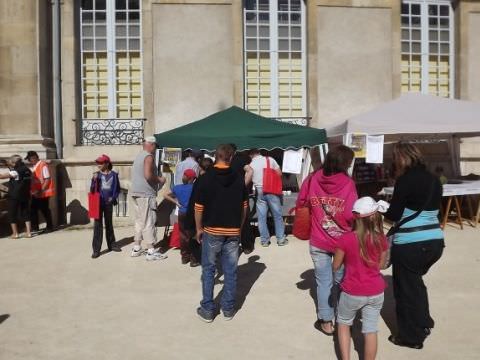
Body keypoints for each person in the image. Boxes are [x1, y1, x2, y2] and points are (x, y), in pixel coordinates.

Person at [384, 142, 444, 349]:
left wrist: (382, 208)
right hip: (435, 240)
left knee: (406, 291)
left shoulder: (405, 180)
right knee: (416, 283)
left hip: (410, 242)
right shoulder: (435, 180)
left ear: (400, 158)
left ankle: (411, 337)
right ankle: (424, 321)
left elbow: (393, 215)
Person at [296, 145, 357, 335]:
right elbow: (351, 213)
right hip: (342, 242)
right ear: (345, 163)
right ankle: (342, 318)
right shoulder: (347, 183)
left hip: (318, 239)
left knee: (323, 282)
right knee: (341, 281)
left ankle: (326, 321)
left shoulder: (313, 178)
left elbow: (301, 202)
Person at [194, 144, 248, 322]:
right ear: (231, 158)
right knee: (230, 271)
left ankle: (208, 309)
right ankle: (228, 309)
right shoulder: (239, 179)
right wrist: (239, 228)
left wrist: (198, 228)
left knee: (209, 269)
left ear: (215, 156)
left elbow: (198, 208)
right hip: (232, 230)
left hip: (212, 230)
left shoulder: (205, 178)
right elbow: (244, 208)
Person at [333, 197, 389, 360]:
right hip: (376, 290)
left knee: (343, 324)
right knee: (370, 329)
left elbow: (335, 265)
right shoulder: (381, 239)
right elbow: (380, 265)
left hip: (353, 290)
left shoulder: (346, 239)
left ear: (356, 217)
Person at [130, 136, 167, 261]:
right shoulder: (148, 157)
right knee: (149, 221)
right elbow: (148, 175)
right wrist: (160, 179)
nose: (156, 148)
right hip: (146, 194)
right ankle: (151, 251)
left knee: (139, 221)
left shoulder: (139, 156)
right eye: (155, 146)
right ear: (151, 144)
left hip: (136, 192)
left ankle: (136, 248)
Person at [249, 149, 287, 247]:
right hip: (271, 189)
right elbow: (279, 173)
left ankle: (264, 241)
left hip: (259, 190)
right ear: (259, 152)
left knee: (261, 217)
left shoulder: (251, 164)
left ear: (251, 155)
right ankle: (281, 239)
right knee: (277, 216)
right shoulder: (269, 159)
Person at [90, 154, 121, 259]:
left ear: (107, 163)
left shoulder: (114, 175)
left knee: (109, 224)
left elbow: (117, 189)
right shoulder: (96, 175)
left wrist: (112, 198)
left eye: (101, 163)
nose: (98, 165)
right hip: (98, 203)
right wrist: (94, 181)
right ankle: (96, 250)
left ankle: (112, 245)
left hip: (108, 203)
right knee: (97, 226)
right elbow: (92, 190)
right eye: (98, 163)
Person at [164, 169, 197, 266]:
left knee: (183, 235)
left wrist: (176, 202)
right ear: (192, 179)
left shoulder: (177, 188)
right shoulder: (195, 188)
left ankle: (184, 257)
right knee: (193, 235)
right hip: (192, 213)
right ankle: (193, 258)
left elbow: (165, 194)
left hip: (182, 213)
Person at [0, 155, 33, 238]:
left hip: (14, 195)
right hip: (25, 194)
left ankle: (15, 233)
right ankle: (29, 232)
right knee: (26, 213)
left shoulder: (15, 171)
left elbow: (1, 176)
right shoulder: (27, 170)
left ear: (14, 162)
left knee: (12, 213)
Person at [230, 144, 255, 254]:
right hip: (229, 194)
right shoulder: (224, 160)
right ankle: (235, 245)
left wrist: (243, 185)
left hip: (239, 194)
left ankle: (247, 245)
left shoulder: (238, 159)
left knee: (244, 220)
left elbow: (250, 170)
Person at [25, 151, 54, 233]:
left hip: (43, 193)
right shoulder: (36, 166)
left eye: (30, 159)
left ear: (34, 157)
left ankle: (49, 227)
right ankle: (35, 227)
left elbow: (47, 179)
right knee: (33, 209)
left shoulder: (43, 165)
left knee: (44, 210)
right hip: (36, 193)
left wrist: (41, 190)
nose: (29, 161)